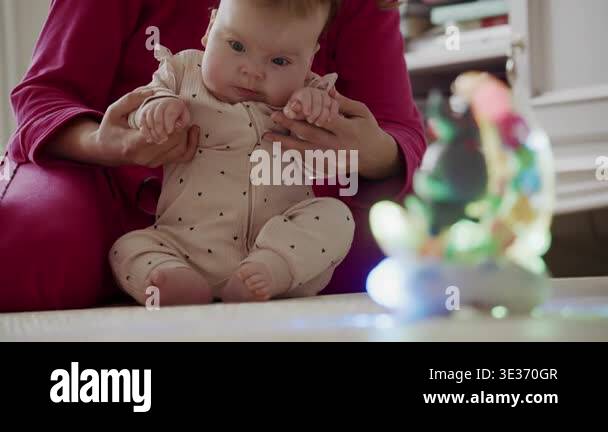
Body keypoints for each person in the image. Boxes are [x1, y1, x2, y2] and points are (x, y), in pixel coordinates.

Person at [0, 0, 426, 312]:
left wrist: (367, 151)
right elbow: (46, 97)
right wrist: (112, 141)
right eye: (236, 47)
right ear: (208, 30)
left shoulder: (313, 85)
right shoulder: (181, 70)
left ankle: (269, 269)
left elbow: (399, 135)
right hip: (155, 218)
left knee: (373, 236)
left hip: (283, 226)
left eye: (279, 60)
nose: (253, 73)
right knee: (84, 249)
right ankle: (166, 278)